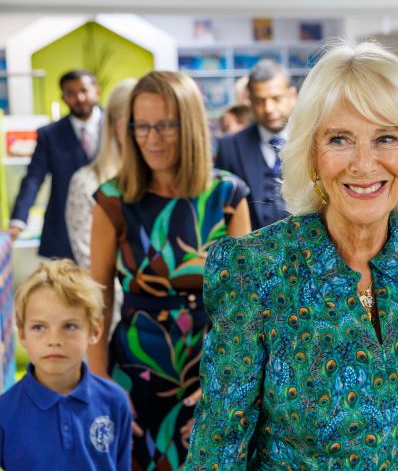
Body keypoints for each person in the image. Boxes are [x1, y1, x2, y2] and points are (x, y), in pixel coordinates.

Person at [187, 42, 398, 469]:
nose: (363, 163)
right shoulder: (256, 270)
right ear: (312, 154)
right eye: (340, 139)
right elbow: (218, 450)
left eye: (386, 137)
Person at [87, 70, 251, 470]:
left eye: (164, 126)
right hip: (132, 373)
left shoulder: (228, 194)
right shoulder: (113, 199)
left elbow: (245, 309)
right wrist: (100, 385)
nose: (151, 138)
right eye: (141, 126)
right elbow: (97, 301)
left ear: (191, 126)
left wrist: (225, 387)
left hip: (211, 372)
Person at [0, 259, 131, 470]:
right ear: (22, 333)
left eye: (69, 326)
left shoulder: (115, 401)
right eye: (39, 327)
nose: (54, 340)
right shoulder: (4, 412)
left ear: (95, 331)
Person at [10, 69, 102, 258]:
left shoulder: (118, 127)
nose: (79, 97)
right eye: (71, 93)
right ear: (63, 97)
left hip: (113, 222)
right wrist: (19, 219)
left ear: (96, 91)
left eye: (84, 90)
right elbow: (34, 178)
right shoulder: (50, 135)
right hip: (65, 228)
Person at [215, 60, 297, 229]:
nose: (268, 108)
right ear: (250, 102)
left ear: (292, 97)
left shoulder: (315, 140)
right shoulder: (229, 148)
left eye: (276, 98)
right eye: (260, 101)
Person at [66, 78, 136, 269]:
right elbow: (92, 266)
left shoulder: (164, 181)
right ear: (114, 125)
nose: (145, 131)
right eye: (133, 120)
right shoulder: (88, 183)